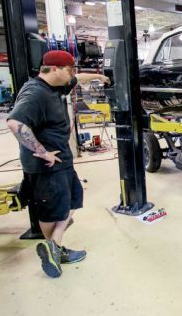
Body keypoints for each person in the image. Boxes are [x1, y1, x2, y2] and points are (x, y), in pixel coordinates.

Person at [7, 50, 109, 278]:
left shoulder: (54, 85)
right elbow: (16, 123)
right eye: (69, 70)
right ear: (54, 69)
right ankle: (55, 248)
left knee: (73, 198)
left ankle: (53, 245)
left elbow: (76, 79)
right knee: (52, 211)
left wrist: (98, 77)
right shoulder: (35, 93)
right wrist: (42, 152)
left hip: (61, 160)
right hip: (47, 165)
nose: (72, 75)